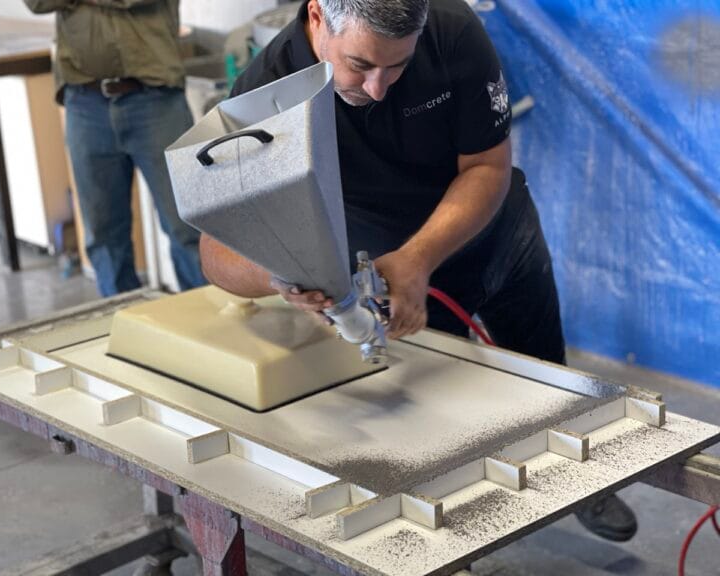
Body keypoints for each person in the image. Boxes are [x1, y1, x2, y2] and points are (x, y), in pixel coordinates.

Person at [198, 0, 637, 542]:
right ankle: (456, 543)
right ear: (317, 17)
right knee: (439, 434)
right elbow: (216, 250)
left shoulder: (452, 31)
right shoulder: (264, 95)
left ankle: (583, 481)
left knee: (550, 378)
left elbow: (486, 166)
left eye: (398, 68)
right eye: (359, 65)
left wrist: (419, 257)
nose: (378, 87)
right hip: (386, 268)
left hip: (496, 235)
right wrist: (284, 275)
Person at [24, 0, 205, 296]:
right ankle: (123, 328)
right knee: (104, 237)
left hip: (154, 99)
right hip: (85, 101)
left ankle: (213, 328)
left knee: (189, 227)